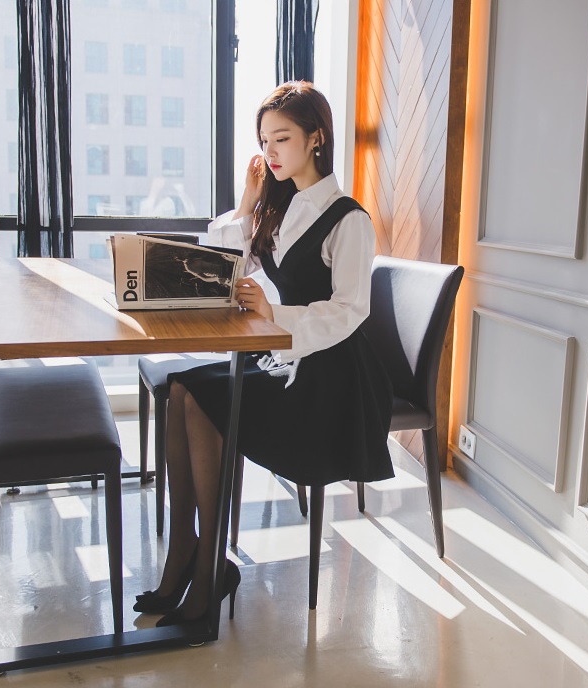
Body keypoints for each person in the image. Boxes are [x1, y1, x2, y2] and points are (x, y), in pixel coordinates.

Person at [134, 81, 394, 626]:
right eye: (264, 140)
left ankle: (205, 565)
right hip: (290, 356)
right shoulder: (282, 206)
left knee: (202, 399)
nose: (269, 152)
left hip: (332, 378)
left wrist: (278, 317)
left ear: (315, 138)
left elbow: (351, 312)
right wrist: (248, 202)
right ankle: (188, 549)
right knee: (184, 388)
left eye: (282, 138)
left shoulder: (350, 219)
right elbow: (227, 266)